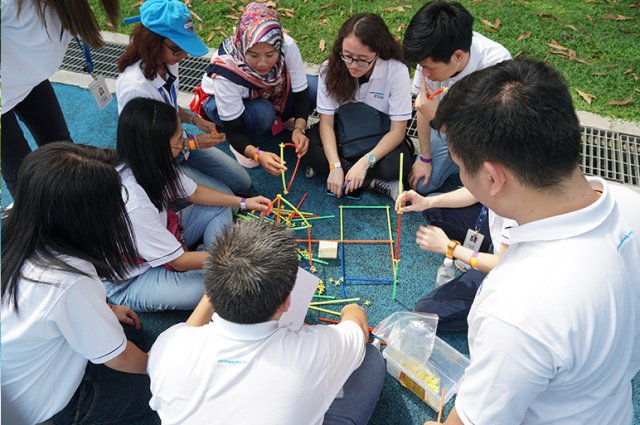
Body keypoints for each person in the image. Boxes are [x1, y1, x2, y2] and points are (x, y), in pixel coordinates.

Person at [422, 60, 640, 425]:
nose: (461, 175)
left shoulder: (516, 309)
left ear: (492, 177)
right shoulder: (631, 205)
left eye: (460, 165)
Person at [147, 220, 386, 424]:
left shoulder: (167, 347)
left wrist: (216, 289)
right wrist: (351, 309)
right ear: (287, 302)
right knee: (370, 359)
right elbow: (357, 327)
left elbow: (186, 331)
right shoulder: (312, 352)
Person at [1, 142, 158, 425]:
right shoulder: (69, 279)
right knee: (167, 393)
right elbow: (120, 358)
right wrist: (165, 370)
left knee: (128, 333)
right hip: (51, 406)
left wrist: (106, 309)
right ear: (83, 219)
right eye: (112, 204)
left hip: (16, 381)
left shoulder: (18, 223)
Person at [103, 98, 270, 312]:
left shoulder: (151, 162)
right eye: (179, 139)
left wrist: (244, 202)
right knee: (210, 288)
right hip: (133, 278)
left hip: (165, 235)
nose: (185, 142)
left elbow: (194, 192)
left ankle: (208, 259)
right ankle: (211, 262)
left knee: (220, 208)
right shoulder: (135, 203)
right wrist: (233, 258)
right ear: (157, 147)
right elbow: (179, 261)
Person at [116, 0, 251, 195]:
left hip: (178, 142)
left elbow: (166, 105)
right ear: (152, 41)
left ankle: (185, 173)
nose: (185, 55)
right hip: (156, 160)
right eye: (178, 48)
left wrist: (194, 119)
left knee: (242, 182)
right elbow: (148, 147)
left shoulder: (168, 60)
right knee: (227, 198)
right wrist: (193, 143)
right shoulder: (135, 88)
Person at [1, 0, 120, 198]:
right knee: (20, 172)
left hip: (29, 76)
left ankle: (76, 200)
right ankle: (37, 216)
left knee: (62, 147)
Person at [194, 2, 316, 176]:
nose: (262, 63)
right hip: (217, 103)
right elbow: (233, 130)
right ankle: (244, 144)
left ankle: (279, 120)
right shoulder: (226, 70)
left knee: (314, 88)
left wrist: (299, 127)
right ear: (242, 46)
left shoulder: (286, 46)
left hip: (265, 92)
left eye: (270, 55)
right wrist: (256, 154)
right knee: (262, 113)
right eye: (254, 55)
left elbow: (302, 93)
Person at [402, 0, 511, 195]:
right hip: (444, 127)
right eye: (421, 66)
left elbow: (490, 138)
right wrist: (425, 157)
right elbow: (422, 108)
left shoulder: (496, 67)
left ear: (458, 56)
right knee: (421, 184)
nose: (424, 73)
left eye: (429, 68)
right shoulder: (430, 54)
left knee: (489, 187)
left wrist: (438, 117)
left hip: (485, 138)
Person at [303, 13, 413, 201]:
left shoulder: (396, 70)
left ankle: (349, 173)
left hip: (378, 138)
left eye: (363, 59)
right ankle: (373, 182)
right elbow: (326, 124)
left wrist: (365, 163)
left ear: (379, 52)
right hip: (344, 135)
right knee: (305, 146)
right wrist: (334, 165)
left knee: (399, 163)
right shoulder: (330, 68)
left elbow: (397, 132)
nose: (353, 65)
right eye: (347, 56)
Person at [396, 187, 515, 331]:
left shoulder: (517, 209)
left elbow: (500, 263)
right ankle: (481, 251)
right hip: (498, 236)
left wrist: (450, 247)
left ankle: (504, 312)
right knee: (433, 209)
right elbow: (475, 189)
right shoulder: (499, 179)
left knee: (426, 312)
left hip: (511, 269)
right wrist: (427, 202)